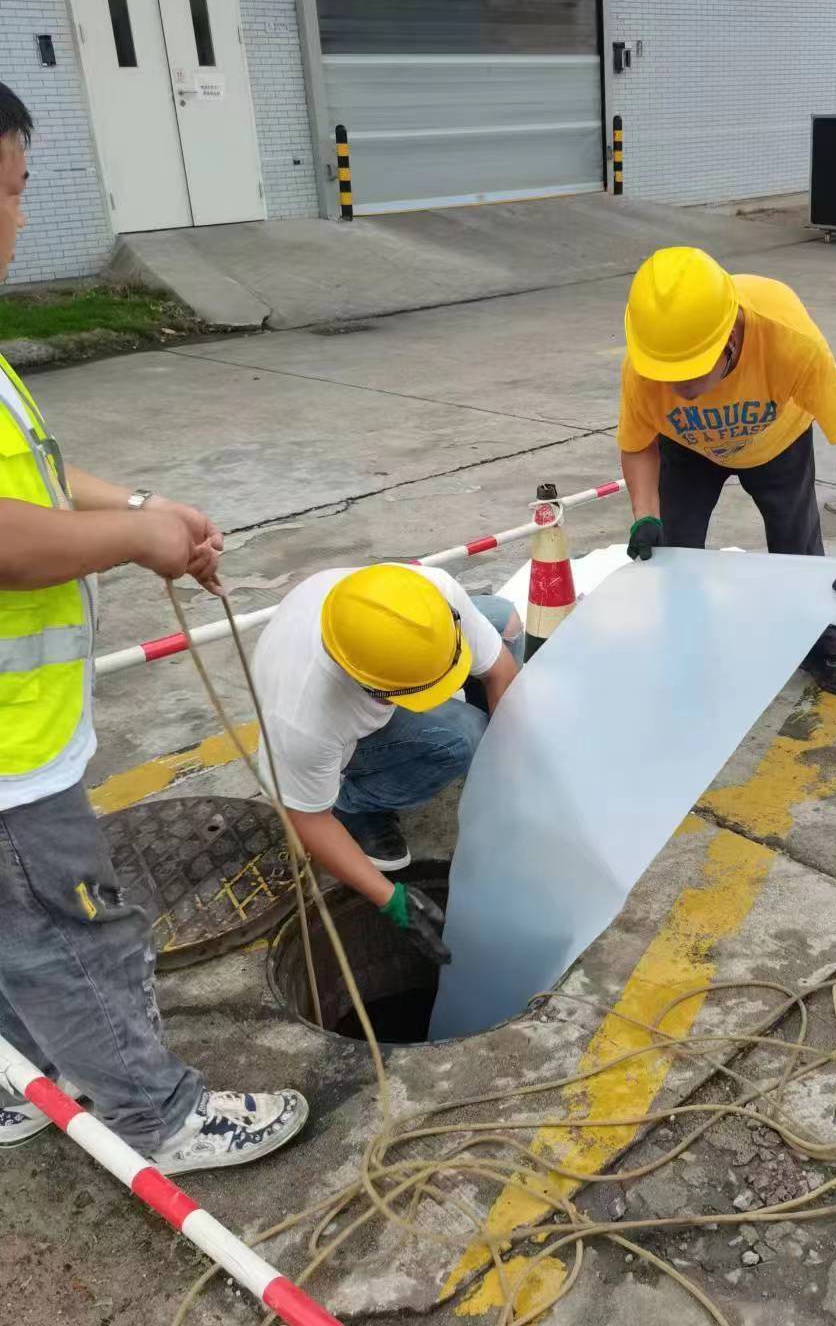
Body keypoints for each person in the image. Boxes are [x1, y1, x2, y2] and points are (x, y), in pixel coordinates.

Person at [0, 80, 306, 1169]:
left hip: (18, 739)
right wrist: (134, 544)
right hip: (9, 759)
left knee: (16, 941)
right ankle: (158, 1116)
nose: (20, 216)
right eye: (12, 191)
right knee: (78, 935)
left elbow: (33, 481)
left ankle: (21, 1076)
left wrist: (141, 509)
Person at [616, 246, 836, 696]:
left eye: (689, 377)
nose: (676, 389)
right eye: (667, 376)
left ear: (729, 343)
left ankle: (821, 648)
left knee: (797, 548)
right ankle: (684, 647)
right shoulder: (645, 366)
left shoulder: (789, 341)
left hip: (777, 440)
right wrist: (645, 513)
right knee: (673, 551)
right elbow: (638, 445)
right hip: (687, 448)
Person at [250, 562, 523, 954]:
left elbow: (501, 672)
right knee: (465, 735)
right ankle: (355, 803)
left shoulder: (431, 597)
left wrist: (509, 775)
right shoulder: (303, 717)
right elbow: (305, 817)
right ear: (372, 687)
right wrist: (389, 898)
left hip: (383, 655)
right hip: (339, 741)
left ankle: (476, 745)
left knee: (503, 617)